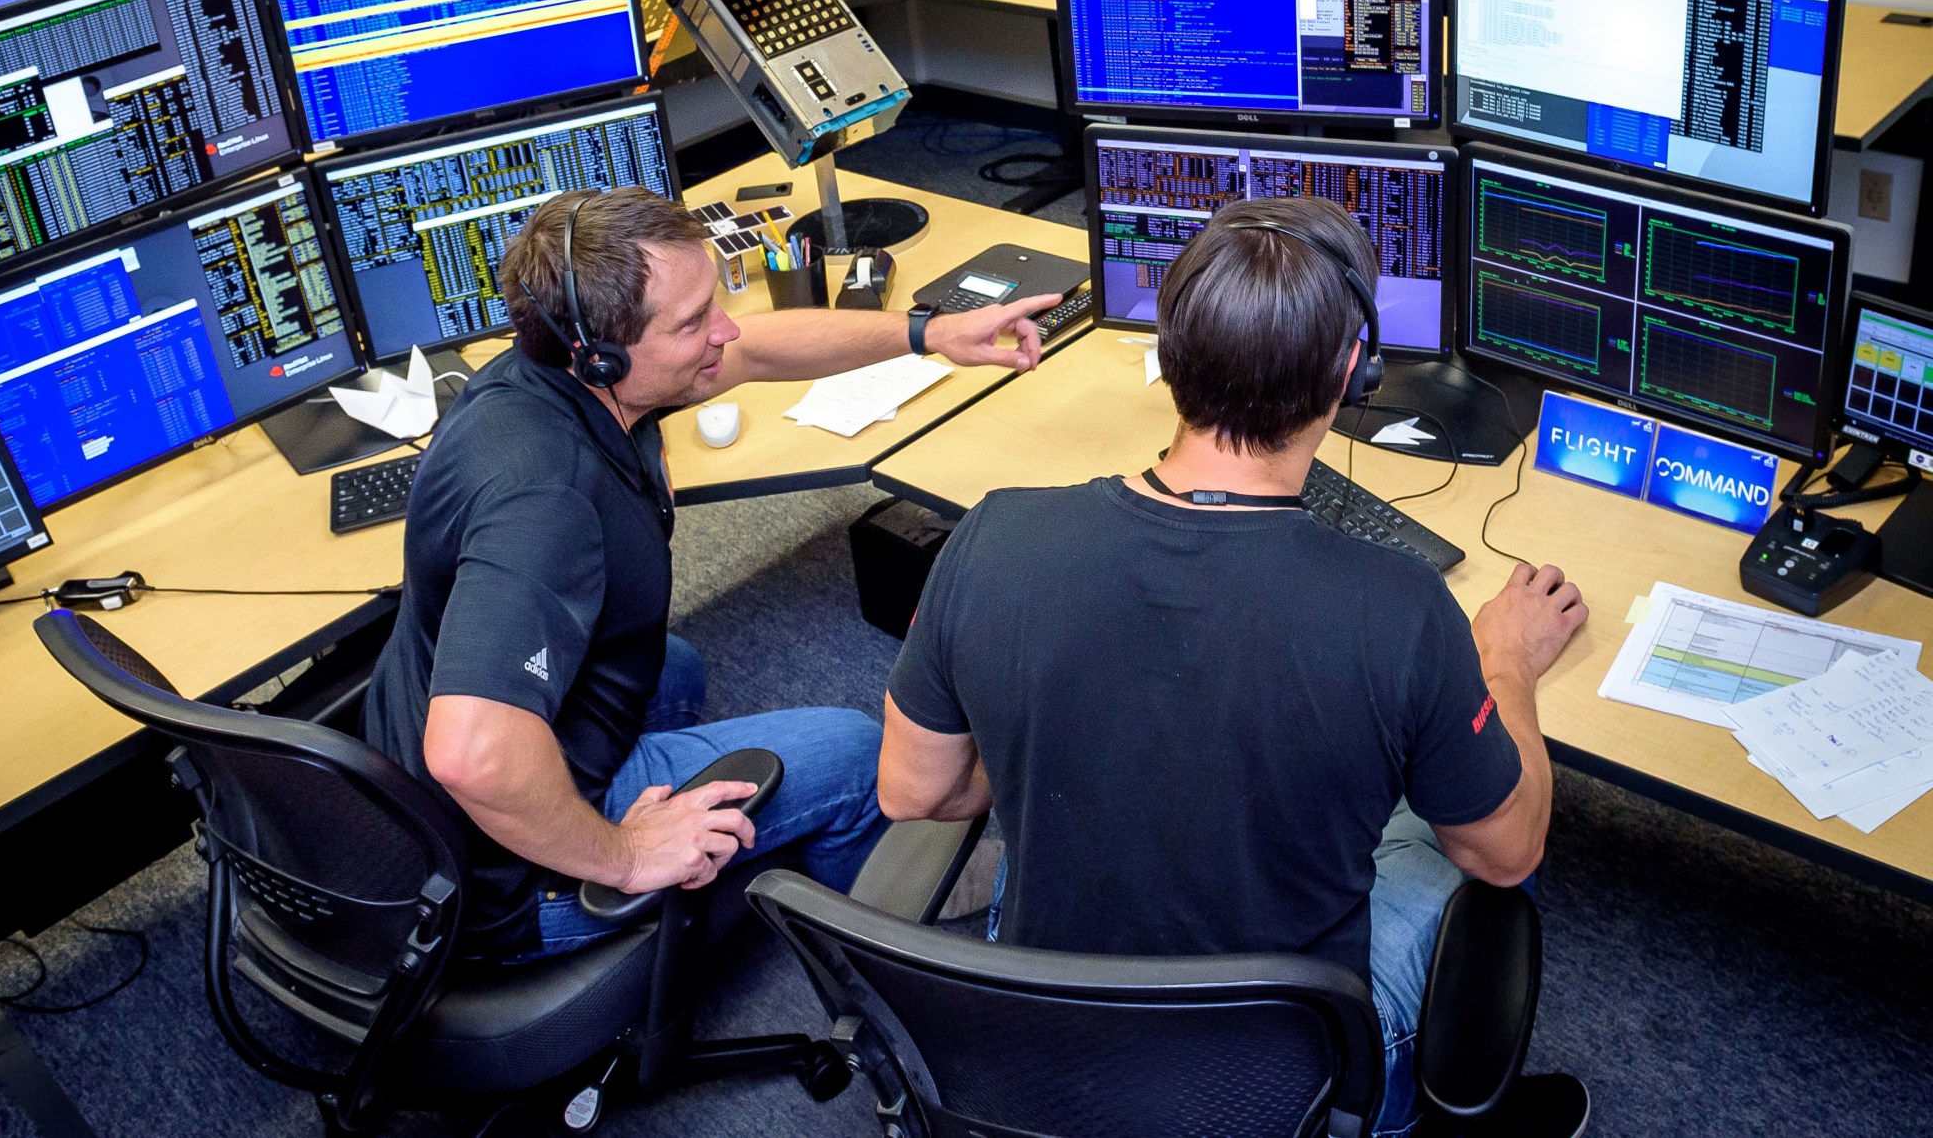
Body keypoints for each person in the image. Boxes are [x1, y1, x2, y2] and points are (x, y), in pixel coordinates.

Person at [878, 197, 1589, 1137]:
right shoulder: (1400, 610)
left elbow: (913, 790)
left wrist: (1062, 742)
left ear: (1171, 357)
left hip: (1041, 1054)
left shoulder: (992, 534)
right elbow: (1508, 851)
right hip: (1280, 1088)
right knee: (1470, 821)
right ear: (1353, 371)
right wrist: (1505, 671)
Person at [364, 185, 1060, 964]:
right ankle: (878, 922)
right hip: (502, 880)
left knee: (674, 668)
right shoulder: (547, 499)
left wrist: (930, 331)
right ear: (600, 352)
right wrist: (624, 855)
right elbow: (470, 754)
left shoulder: (546, 375)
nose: (721, 332)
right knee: (862, 754)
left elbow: (757, 347)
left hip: (412, 790)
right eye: (693, 321)